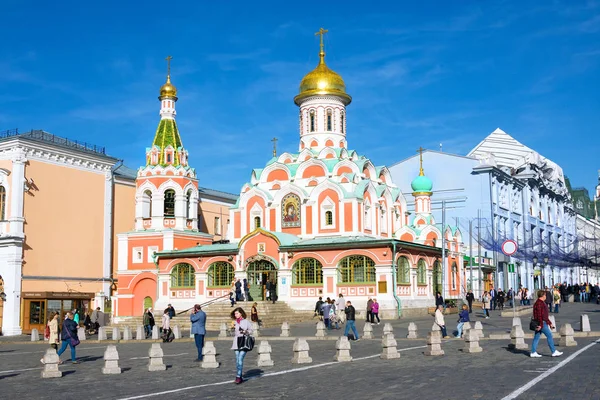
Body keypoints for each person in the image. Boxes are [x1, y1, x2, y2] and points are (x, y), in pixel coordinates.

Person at [530, 290, 563, 358]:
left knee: (536, 337)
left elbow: (544, 315)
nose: (546, 296)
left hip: (541, 322)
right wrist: (541, 325)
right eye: (545, 295)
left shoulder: (540, 302)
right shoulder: (539, 303)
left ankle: (533, 352)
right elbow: (540, 315)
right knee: (549, 336)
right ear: (542, 296)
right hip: (541, 323)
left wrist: (549, 323)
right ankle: (553, 351)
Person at [231, 307, 253, 384]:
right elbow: (232, 333)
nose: (235, 315)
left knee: (240, 359)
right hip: (236, 341)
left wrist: (245, 331)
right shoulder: (234, 322)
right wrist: (232, 328)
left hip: (244, 341)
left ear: (241, 313)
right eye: (235, 314)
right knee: (237, 360)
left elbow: (251, 331)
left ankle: (238, 376)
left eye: (237, 313)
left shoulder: (246, 321)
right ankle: (240, 376)